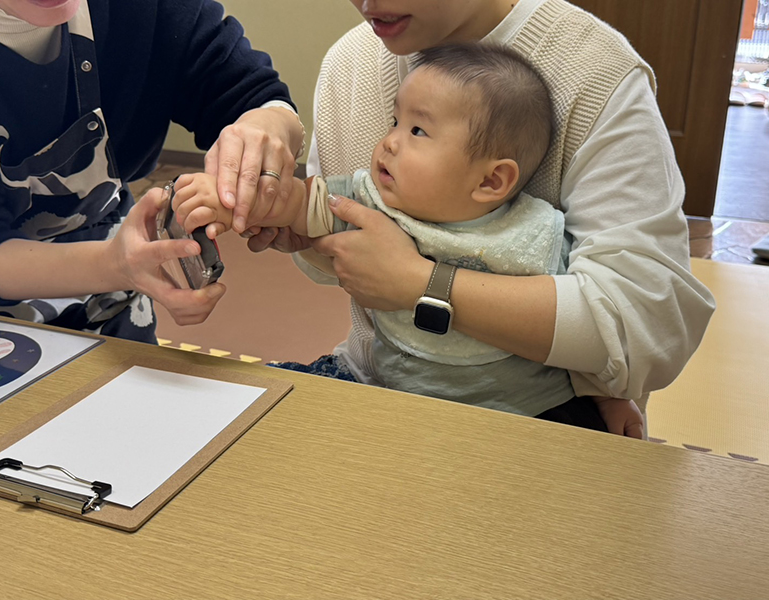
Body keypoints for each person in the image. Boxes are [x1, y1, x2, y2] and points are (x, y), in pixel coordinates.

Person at [236, 0, 716, 436]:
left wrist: (420, 283)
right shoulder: (350, 62)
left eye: (418, 130)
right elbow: (334, 238)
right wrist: (278, 213)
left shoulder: (594, 71)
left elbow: (644, 325)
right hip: (376, 380)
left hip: (529, 413)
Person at [174, 43, 644, 436]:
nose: (391, 141)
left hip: (523, 412)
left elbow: (578, 326)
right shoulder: (371, 200)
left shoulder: (533, 233)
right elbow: (297, 201)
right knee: (260, 411)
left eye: (418, 130)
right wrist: (231, 199)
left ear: (491, 181)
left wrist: (607, 395)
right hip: (390, 391)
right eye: (394, 122)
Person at [0, 0, 304, 342]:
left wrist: (269, 124)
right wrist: (115, 265)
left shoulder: (143, 10)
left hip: (111, 309)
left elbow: (246, 89)